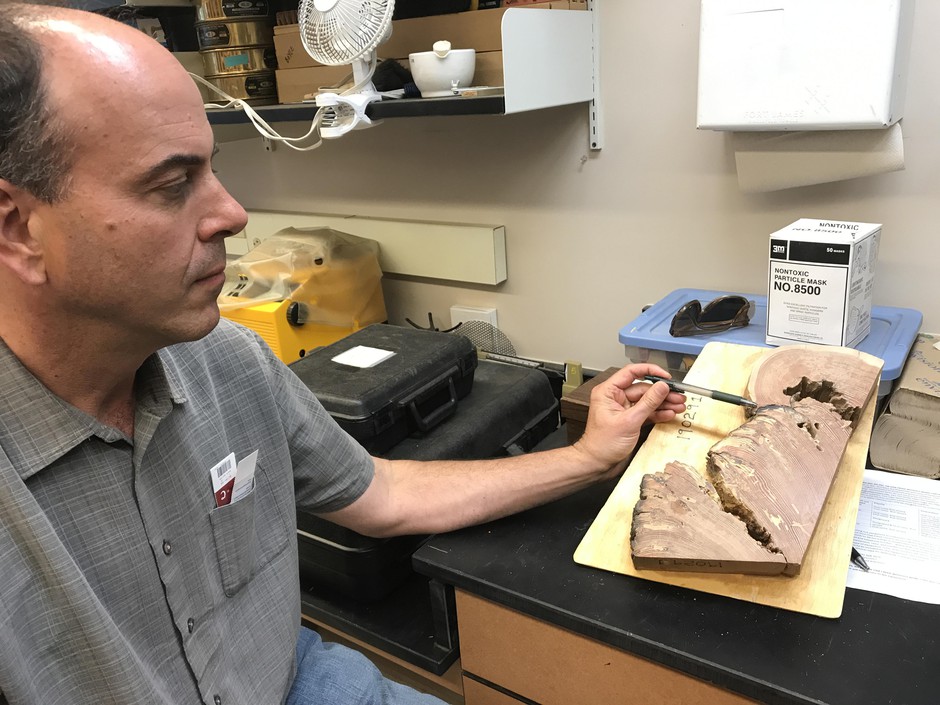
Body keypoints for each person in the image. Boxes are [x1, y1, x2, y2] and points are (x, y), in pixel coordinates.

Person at [0, 3, 686, 704]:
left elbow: (381, 493)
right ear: (18, 227)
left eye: (212, 170)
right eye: (173, 184)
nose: (231, 213)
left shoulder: (227, 361)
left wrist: (590, 456)